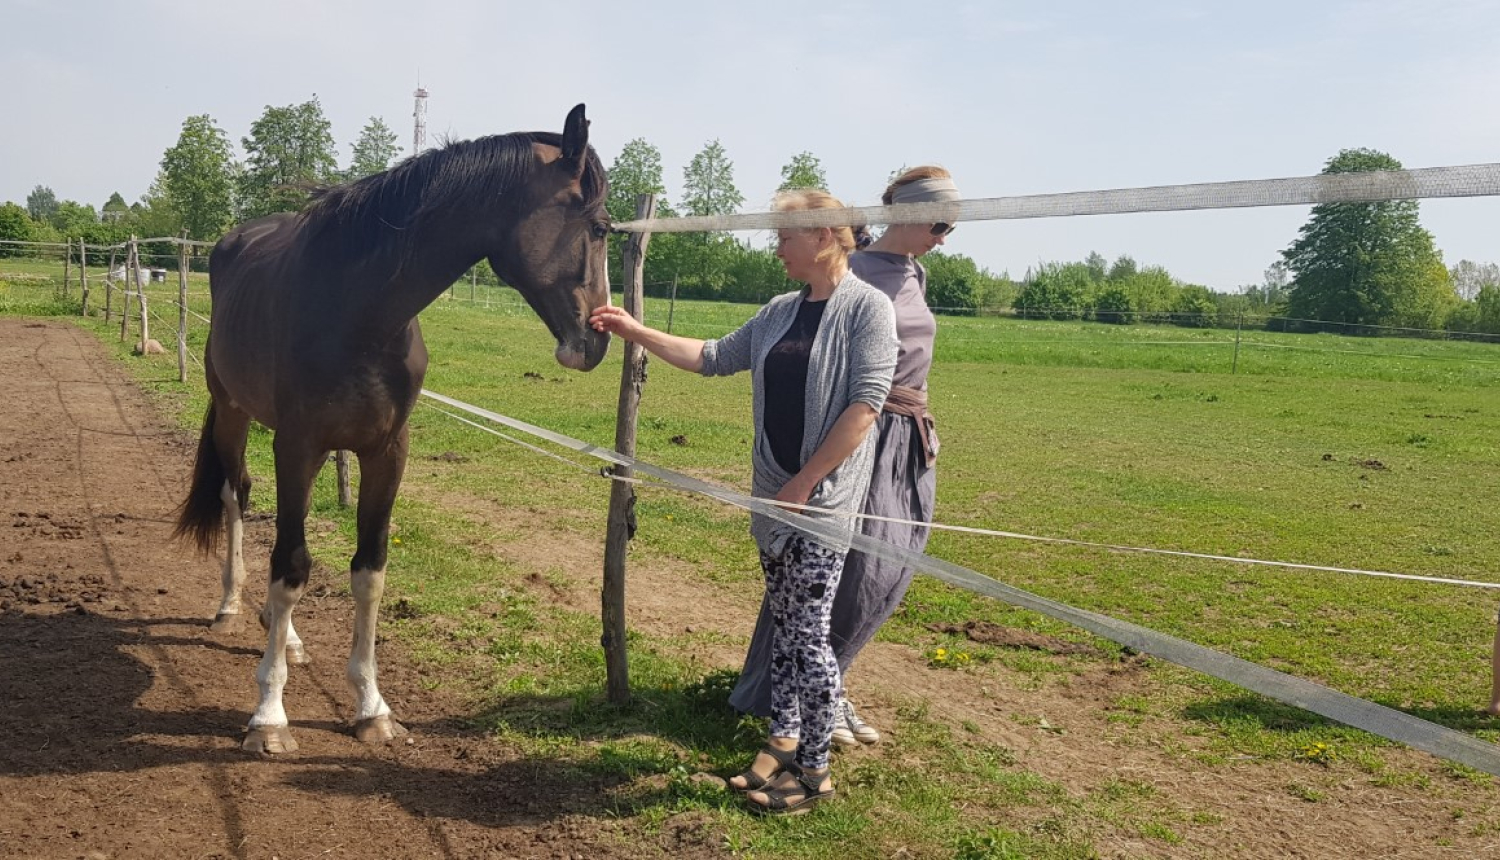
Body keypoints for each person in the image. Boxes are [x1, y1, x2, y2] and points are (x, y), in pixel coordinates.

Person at [589, 189, 897, 815]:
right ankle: (782, 736)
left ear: (824, 237)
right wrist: (634, 330)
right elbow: (711, 358)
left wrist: (804, 484)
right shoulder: (780, 310)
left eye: (785, 235)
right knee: (785, 623)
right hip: (776, 499)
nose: (776, 246)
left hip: (820, 503)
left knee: (808, 634)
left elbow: (866, 407)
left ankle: (815, 769)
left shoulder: (870, 310)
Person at [728, 167, 959, 748]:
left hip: (905, 434)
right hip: (862, 434)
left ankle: (826, 689)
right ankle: (815, 702)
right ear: (909, 213)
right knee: (848, 570)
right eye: (940, 221)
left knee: (885, 566)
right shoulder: (851, 276)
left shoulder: (915, 273)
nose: (945, 234)